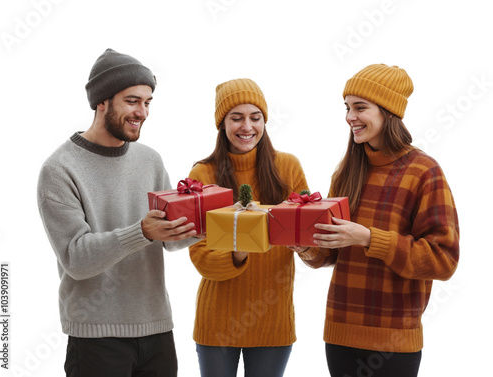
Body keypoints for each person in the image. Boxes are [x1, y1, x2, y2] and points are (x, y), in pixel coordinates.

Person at [37, 48, 199, 377]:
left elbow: (170, 238)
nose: (142, 112)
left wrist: (213, 221)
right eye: (132, 101)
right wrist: (141, 232)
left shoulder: (150, 159)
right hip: (96, 339)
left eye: (148, 102)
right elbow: (76, 260)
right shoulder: (59, 169)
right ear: (102, 102)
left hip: (157, 330)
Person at [306, 64, 460, 377]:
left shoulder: (423, 172)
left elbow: (444, 260)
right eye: (347, 108)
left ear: (388, 112)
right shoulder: (346, 172)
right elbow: (331, 253)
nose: (350, 117)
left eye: (360, 107)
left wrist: (369, 238)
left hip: (395, 341)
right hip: (340, 333)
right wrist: (305, 246)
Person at [188, 78, 316, 377]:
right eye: (237, 118)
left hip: (272, 320)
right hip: (218, 322)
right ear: (222, 123)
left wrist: (307, 247)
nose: (247, 126)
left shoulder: (288, 167)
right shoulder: (203, 173)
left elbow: (312, 239)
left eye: (255, 117)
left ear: (264, 121)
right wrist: (238, 253)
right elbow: (200, 256)